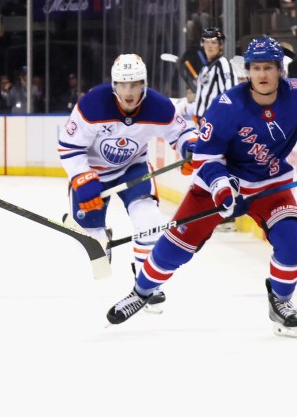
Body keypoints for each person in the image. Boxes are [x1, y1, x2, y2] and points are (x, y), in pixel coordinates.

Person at [107, 37, 297, 337]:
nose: (262, 74)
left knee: (291, 241)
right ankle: (141, 291)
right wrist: (222, 187)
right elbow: (205, 157)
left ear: (280, 70)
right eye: (256, 68)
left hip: (269, 184)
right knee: (175, 248)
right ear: (247, 71)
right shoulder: (227, 106)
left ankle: (281, 301)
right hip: (217, 186)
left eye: (269, 68)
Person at [59, 54, 196, 311]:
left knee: (149, 223)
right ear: (114, 84)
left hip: (133, 169)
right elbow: (69, 147)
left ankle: (147, 282)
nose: (129, 91)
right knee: (90, 247)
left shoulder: (158, 105)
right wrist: (82, 178)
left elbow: (182, 133)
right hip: (93, 174)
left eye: (134, 84)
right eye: (123, 84)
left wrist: (189, 147)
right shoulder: (92, 105)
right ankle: (101, 235)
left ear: (144, 83)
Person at [181, 27, 236, 126]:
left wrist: (222, 121)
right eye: (206, 42)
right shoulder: (205, 68)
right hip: (201, 123)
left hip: (214, 124)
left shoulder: (223, 64)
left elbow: (230, 95)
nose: (209, 46)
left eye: (213, 42)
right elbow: (204, 97)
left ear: (220, 45)